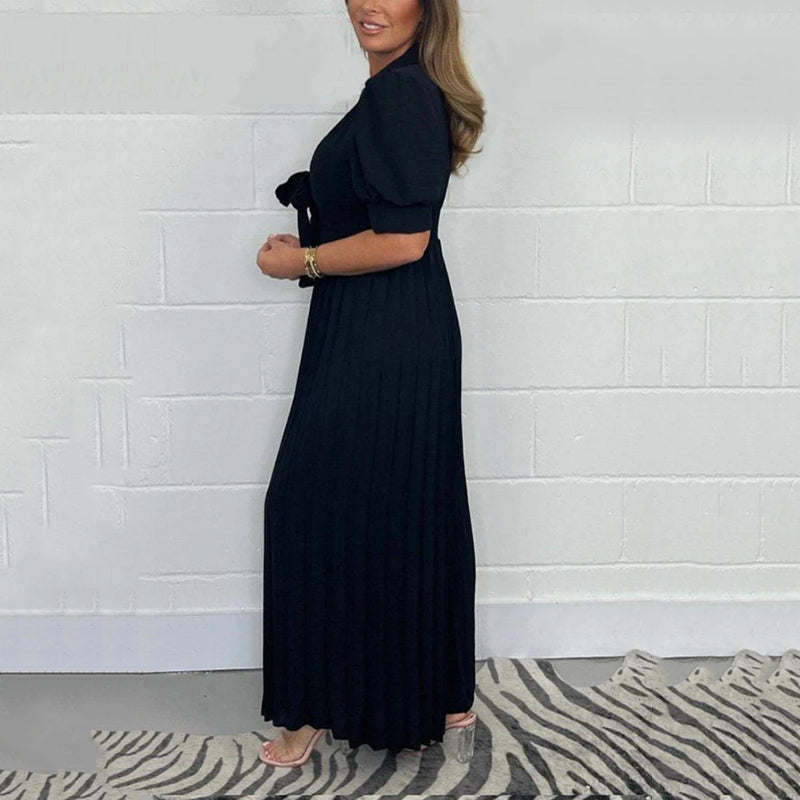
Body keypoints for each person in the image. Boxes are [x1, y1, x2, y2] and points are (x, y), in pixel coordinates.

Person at [255, 0, 486, 768]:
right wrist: (318, 229)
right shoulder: (399, 88)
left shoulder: (401, 92)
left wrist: (300, 262)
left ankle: (312, 707)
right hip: (390, 323)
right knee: (409, 503)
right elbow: (384, 217)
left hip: (383, 331)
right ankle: (438, 690)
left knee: (305, 506)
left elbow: (404, 239)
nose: (368, 4)